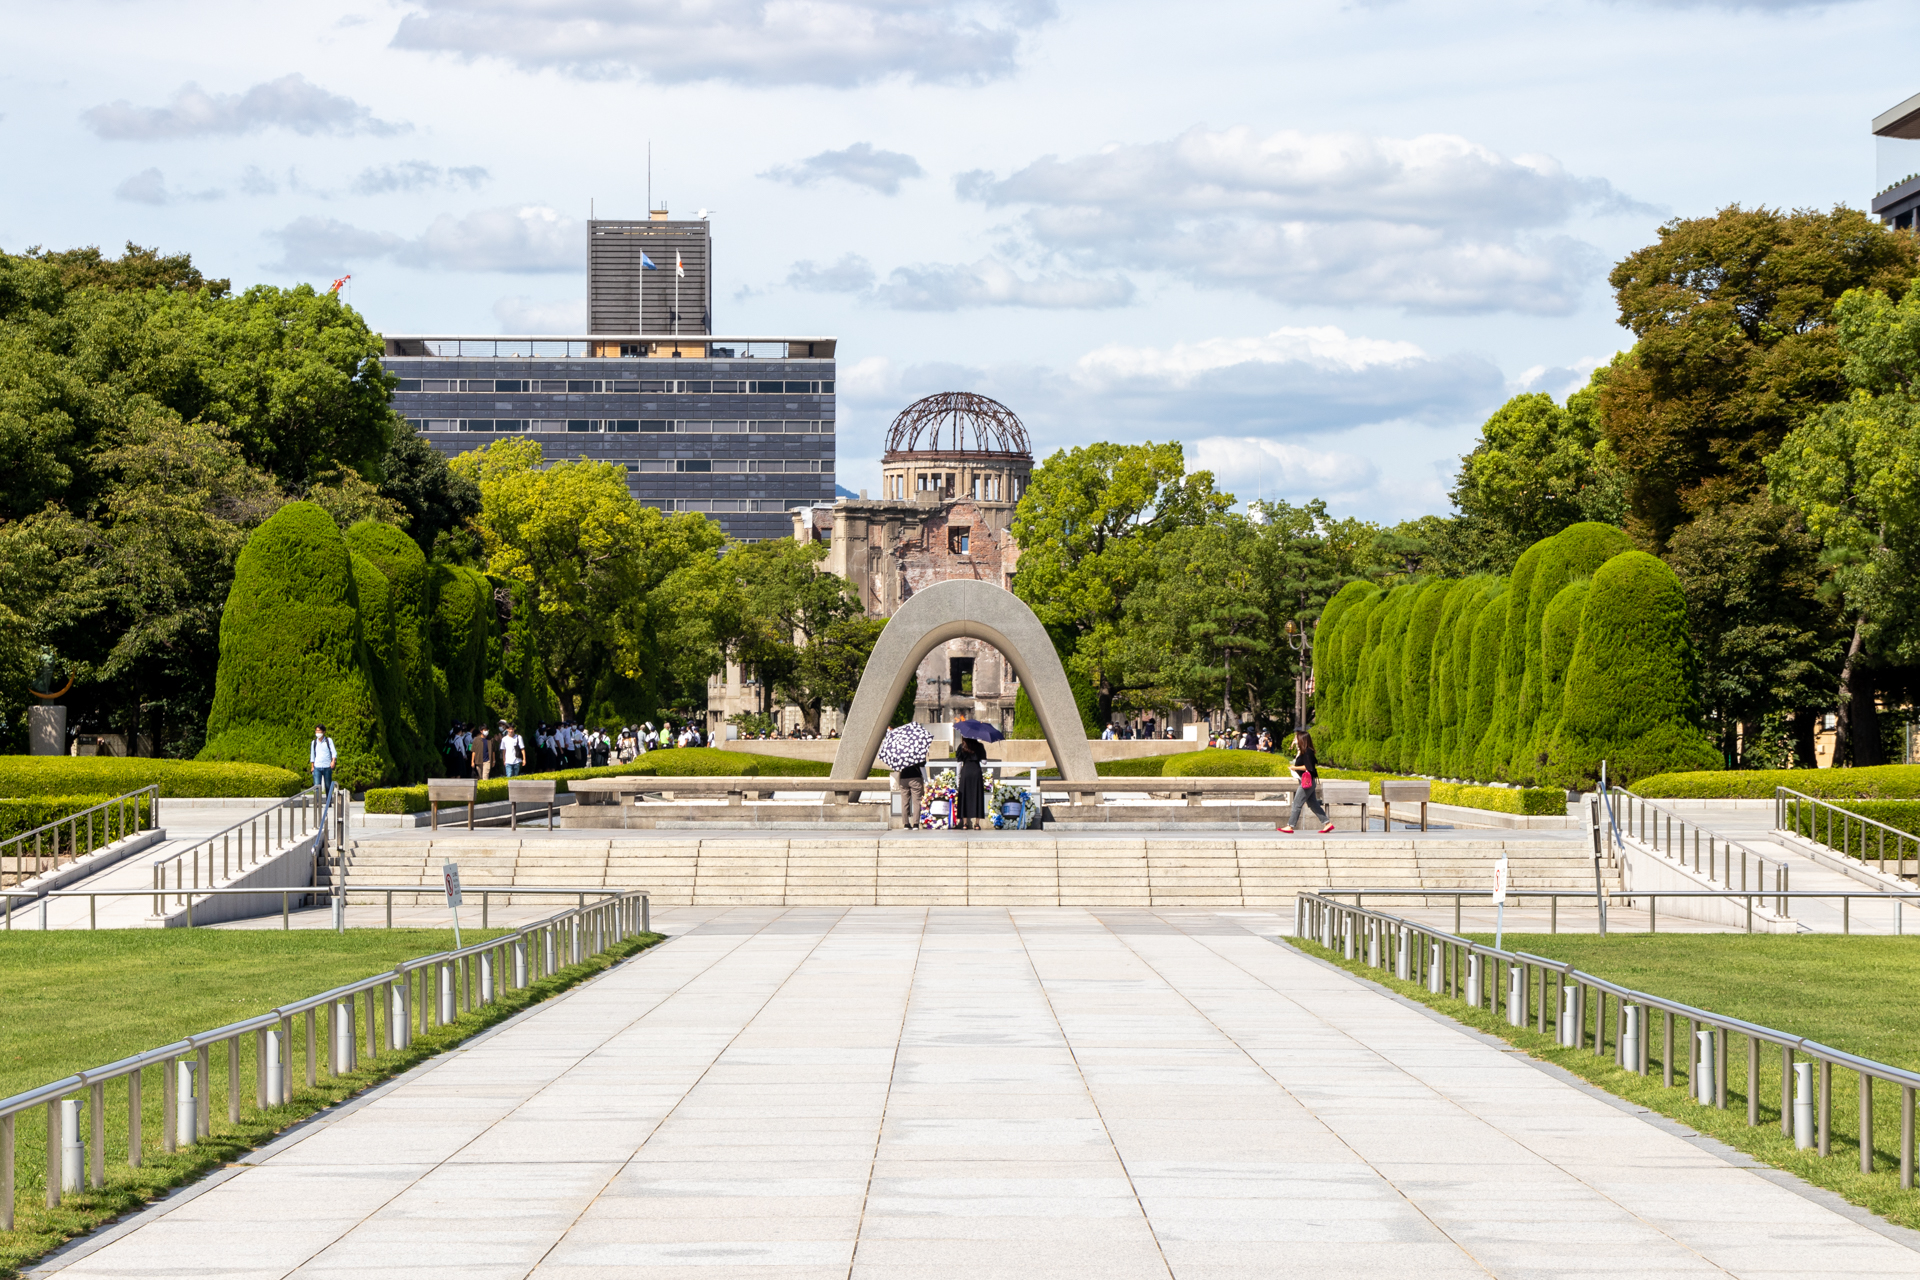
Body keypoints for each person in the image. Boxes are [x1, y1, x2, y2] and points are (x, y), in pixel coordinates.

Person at [1278, 728, 1335, 835]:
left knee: (1297, 803)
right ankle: (1327, 823)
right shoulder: (1305, 751)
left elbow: (1308, 767)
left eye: (1297, 738)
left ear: (1302, 740)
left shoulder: (1308, 752)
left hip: (1307, 783)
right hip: (1308, 782)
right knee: (1313, 804)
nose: (1295, 739)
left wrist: (1294, 768)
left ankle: (1290, 826)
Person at [953, 713, 988, 831]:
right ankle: (977, 823)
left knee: (965, 797)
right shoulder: (980, 746)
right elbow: (984, 762)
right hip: (976, 772)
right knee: (977, 796)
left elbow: (958, 764)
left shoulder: (961, 747)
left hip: (966, 772)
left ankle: (965, 823)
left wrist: (957, 779)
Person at [309, 724, 337, 798]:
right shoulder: (314, 742)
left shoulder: (328, 740)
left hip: (327, 766)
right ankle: (317, 802)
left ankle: (329, 801)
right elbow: (312, 755)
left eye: (319, 731)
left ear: (324, 732)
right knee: (317, 786)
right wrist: (312, 766)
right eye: (316, 731)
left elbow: (333, 752)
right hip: (317, 766)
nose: (317, 732)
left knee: (328, 785)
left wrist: (333, 761)